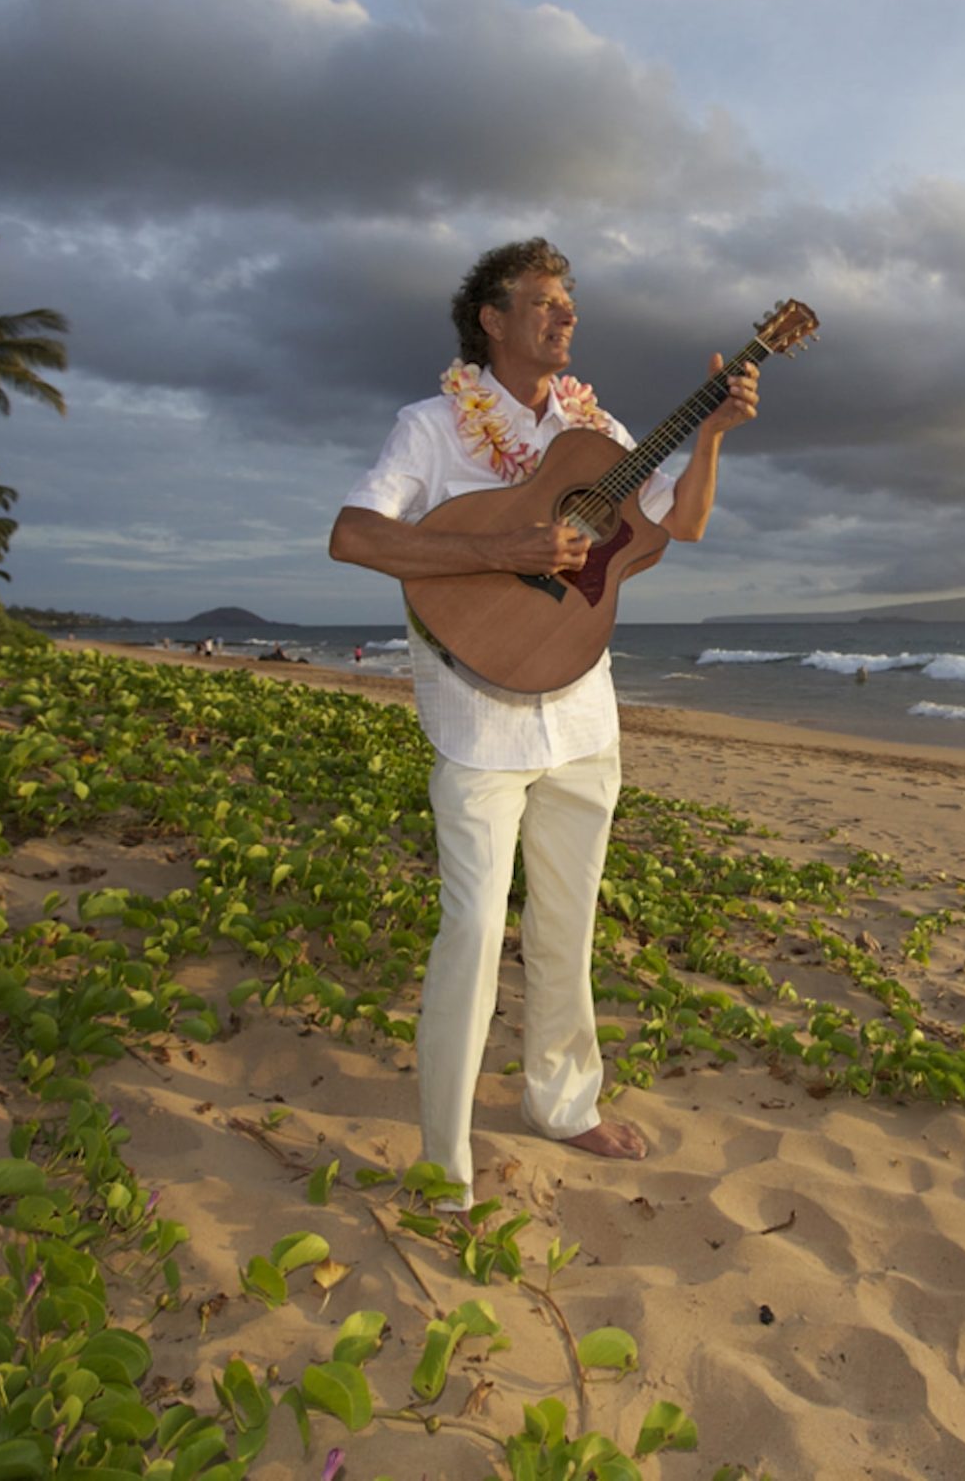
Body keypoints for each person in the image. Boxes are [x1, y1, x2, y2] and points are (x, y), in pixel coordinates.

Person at [328, 238, 761, 1205]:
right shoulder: (433, 426)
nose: (566, 319)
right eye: (544, 303)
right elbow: (353, 534)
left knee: (569, 920)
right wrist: (503, 544)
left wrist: (716, 434)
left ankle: (563, 1102)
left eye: (571, 306)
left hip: (580, 708)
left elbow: (677, 525)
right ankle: (445, 1162)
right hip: (476, 717)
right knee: (475, 929)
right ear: (491, 318)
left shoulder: (593, 428)